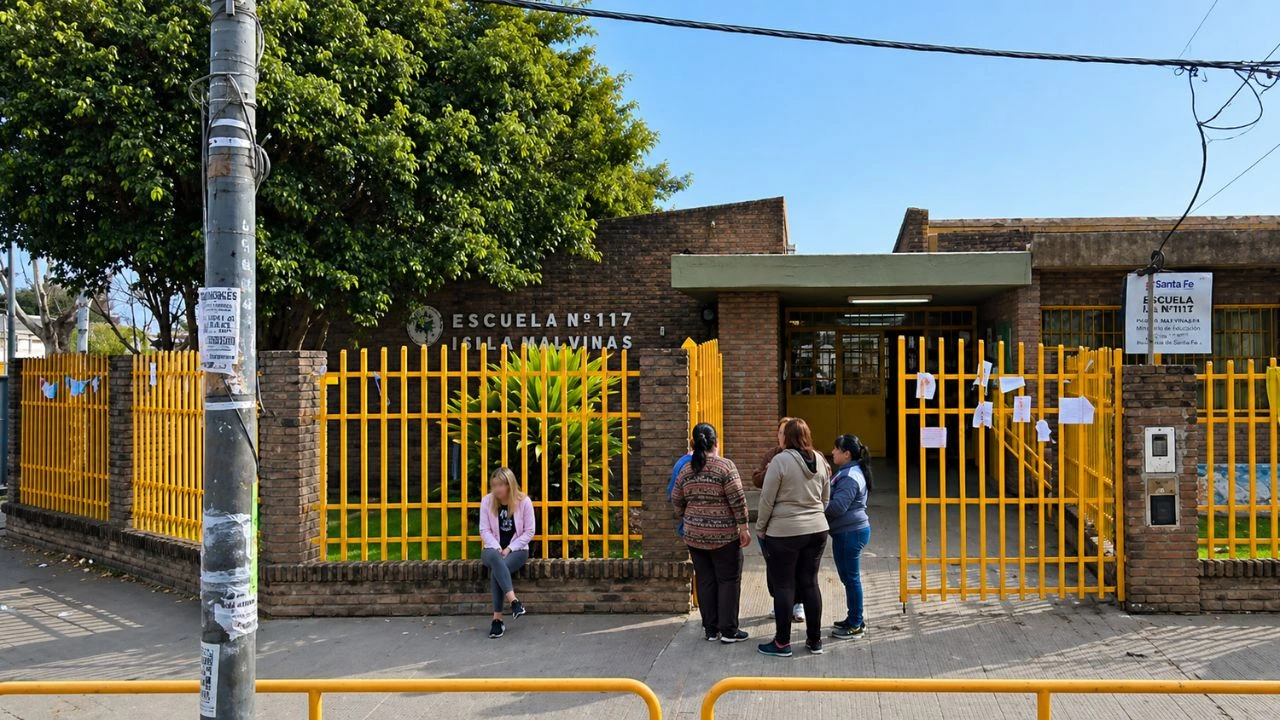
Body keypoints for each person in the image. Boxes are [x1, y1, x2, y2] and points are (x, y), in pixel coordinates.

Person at [756, 418, 831, 657]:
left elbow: (767, 499)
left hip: (784, 532)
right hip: (817, 530)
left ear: (787, 437)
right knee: (810, 583)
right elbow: (826, 498)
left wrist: (761, 527)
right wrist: (814, 515)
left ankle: (782, 643)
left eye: (782, 434)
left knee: (784, 585)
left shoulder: (780, 461)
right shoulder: (820, 460)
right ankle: (815, 640)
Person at [671, 422, 752, 644]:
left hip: (694, 535)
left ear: (692, 443)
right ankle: (729, 630)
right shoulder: (725, 467)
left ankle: (710, 629)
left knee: (705, 580)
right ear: (716, 442)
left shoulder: (686, 470)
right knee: (728, 580)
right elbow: (738, 499)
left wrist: (688, 516)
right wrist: (743, 527)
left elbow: (676, 499)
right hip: (724, 535)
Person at [750, 417, 805, 623]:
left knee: (798, 566)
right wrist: (769, 470)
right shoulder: (772, 455)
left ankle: (798, 603)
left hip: (794, 522)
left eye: (784, 433)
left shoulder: (810, 456)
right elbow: (757, 480)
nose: (781, 437)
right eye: (780, 432)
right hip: (775, 521)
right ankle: (780, 602)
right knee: (774, 566)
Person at [480, 467, 535, 639]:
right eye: (494, 485)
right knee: (496, 559)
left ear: (510, 485)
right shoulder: (487, 501)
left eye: (501, 485)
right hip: (492, 549)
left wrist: (510, 548)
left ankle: (497, 620)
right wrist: (497, 548)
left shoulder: (524, 502)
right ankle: (514, 602)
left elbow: (529, 531)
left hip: (517, 550)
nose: (497, 489)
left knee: (497, 569)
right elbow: (484, 530)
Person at [826, 434, 872, 641]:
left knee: (851, 579)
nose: (832, 452)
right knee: (849, 579)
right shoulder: (849, 471)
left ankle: (855, 625)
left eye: (836, 449)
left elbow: (838, 507)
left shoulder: (850, 476)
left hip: (849, 533)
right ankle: (854, 618)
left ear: (847, 454)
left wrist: (816, 507)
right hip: (848, 532)